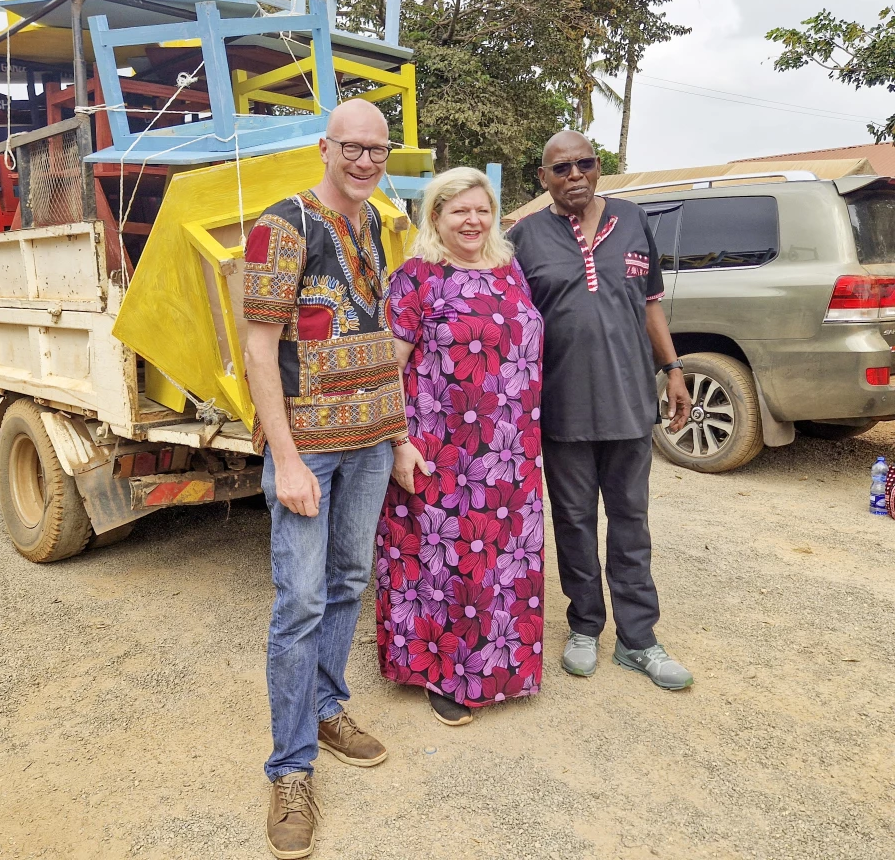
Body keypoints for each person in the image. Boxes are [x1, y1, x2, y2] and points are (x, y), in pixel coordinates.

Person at [243, 99, 409, 859]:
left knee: (348, 580)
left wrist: (399, 436)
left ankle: (328, 704)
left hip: (373, 441)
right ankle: (291, 768)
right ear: (326, 147)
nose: (367, 160)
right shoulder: (284, 225)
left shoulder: (374, 224)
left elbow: (378, 338)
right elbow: (258, 346)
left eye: (378, 148)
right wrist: (284, 459)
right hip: (309, 446)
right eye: (354, 147)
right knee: (300, 601)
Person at [507, 130, 694, 691]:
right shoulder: (522, 238)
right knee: (574, 523)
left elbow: (651, 305)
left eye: (584, 164)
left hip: (631, 407)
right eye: (560, 169)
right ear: (543, 178)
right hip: (561, 412)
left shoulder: (634, 222)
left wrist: (674, 369)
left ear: (598, 167)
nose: (574, 176)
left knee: (632, 524)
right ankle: (585, 625)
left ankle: (639, 640)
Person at [377, 167, 545, 727]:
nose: (472, 221)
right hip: (443, 452)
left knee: (502, 565)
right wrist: (399, 443)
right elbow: (387, 373)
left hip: (511, 451)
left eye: (481, 210)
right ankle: (444, 675)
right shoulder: (415, 279)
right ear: (435, 218)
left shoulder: (509, 271)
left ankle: (502, 667)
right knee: (448, 565)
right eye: (458, 211)